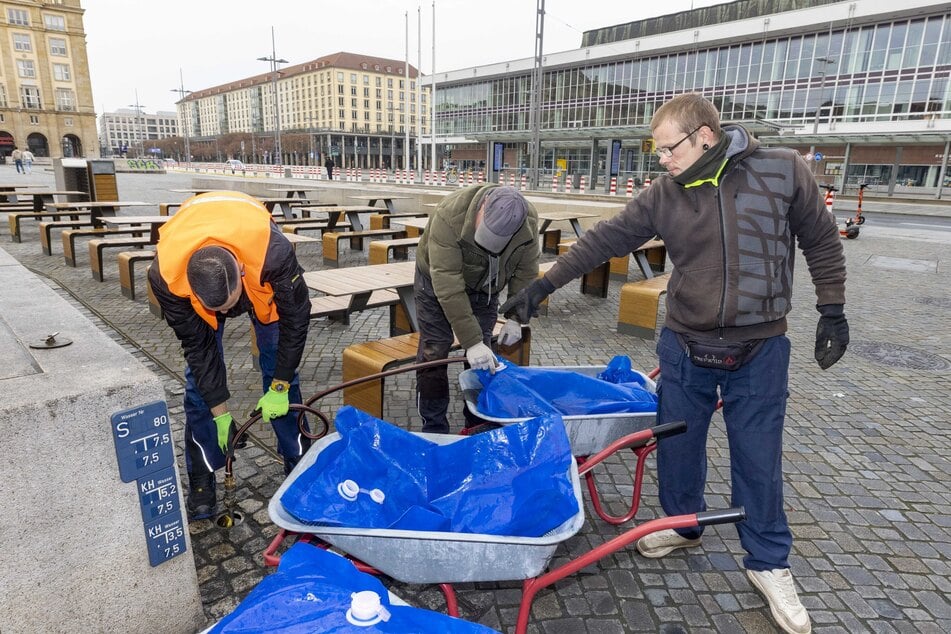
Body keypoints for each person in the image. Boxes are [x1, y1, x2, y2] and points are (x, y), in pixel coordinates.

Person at [501, 93, 848, 634]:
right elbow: (601, 241)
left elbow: (822, 240)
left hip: (761, 350)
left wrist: (832, 309)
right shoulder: (664, 194)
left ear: (703, 136)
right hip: (686, 346)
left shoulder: (782, 170)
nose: (660, 159)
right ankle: (684, 524)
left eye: (667, 148)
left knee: (758, 459)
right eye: (656, 150)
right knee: (678, 448)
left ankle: (769, 562)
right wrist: (541, 287)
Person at [148, 190, 313, 520]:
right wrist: (220, 412)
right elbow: (200, 351)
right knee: (199, 392)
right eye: (217, 310)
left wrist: (278, 386)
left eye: (228, 305)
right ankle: (201, 478)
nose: (225, 313)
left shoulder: (274, 254)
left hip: (258, 275)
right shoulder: (166, 277)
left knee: (279, 369)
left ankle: (299, 466)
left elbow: (295, 321)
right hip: (197, 276)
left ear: (239, 271)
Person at [415, 184, 539, 433]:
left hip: (485, 288)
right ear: (482, 207)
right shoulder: (449, 215)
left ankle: (478, 421)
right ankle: (434, 424)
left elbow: (526, 273)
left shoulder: (527, 222)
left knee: (484, 357)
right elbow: (448, 284)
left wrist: (517, 317)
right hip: (435, 283)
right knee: (434, 351)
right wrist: (470, 342)